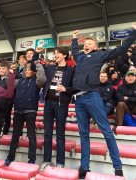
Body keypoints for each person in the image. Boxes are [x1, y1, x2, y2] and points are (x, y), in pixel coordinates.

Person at [71, 23, 136, 178]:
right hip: (78, 99)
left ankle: (118, 167)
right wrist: (74, 39)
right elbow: (74, 50)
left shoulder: (100, 55)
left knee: (106, 131)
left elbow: (120, 49)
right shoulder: (79, 57)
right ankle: (84, 167)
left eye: (89, 44)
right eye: (84, 43)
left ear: (95, 46)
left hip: (92, 96)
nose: (85, 45)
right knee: (83, 134)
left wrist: (133, 32)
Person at [39, 47, 74, 170]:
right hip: (48, 103)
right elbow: (34, 67)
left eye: (58, 53)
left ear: (64, 55)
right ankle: (47, 160)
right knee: (47, 134)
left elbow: (75, 86)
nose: (55, 55)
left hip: (61, 105)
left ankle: (60, 163)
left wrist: (66, 89)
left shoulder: (71, 70)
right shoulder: (49, 68)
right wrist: (37, 54)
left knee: (60, 134)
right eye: (54, 54)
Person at [5, 60, 46, 166]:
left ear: (34, 71)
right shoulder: (19, 81)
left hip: (30, 110)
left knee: (31, 135)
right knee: (15, 135)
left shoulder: (37, 81)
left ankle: (32, 160)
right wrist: (10, 72)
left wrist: (37, 64)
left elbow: (42, 77)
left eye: (29, 69)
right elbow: (7, 82)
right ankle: (10, 157)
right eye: (26, 69)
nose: (27, 71)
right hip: (18, 110)